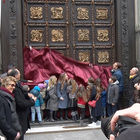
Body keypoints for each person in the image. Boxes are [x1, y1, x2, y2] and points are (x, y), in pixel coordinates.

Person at [7, 68, 36, 140]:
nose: (20, 75)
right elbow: (20, 103)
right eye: (19, 73)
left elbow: (21, 95)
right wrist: (32, 101)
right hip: (19, 117)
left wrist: (27, 94)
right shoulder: (15, 89)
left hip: (21, 118)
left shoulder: (18, 85)